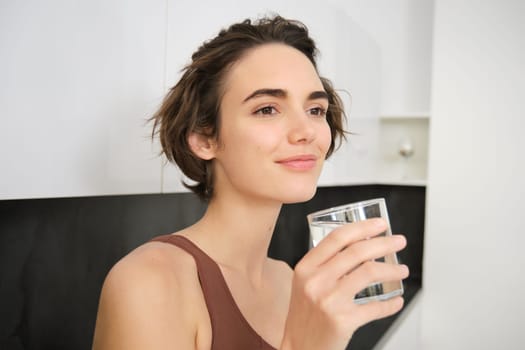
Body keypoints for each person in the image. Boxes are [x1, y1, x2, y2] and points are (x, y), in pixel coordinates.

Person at [92, 15, 409, 350]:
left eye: (315, 110)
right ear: (204, 138)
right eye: (268, 109)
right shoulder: (149, 281)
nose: (306, 131)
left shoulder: (291, 283)